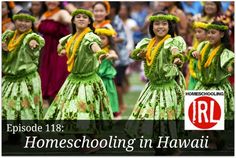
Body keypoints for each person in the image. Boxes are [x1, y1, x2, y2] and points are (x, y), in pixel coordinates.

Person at [44, 9, 113, 123]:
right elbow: (61, 43)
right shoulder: (71, 38)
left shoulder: (90, 37)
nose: (81, 19)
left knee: (83, 115)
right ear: (73, 21)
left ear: (89, 22)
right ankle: (86, 139)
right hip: (73, 80)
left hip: (88, 82)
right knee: (71, 114)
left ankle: (91, 139)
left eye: (85, 17)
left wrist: (100, 53)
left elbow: (94, 46)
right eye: (78, 17)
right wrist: (61, 50)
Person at [125, 12, 186, 142]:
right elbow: (132, 55)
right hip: (152, 88)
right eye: (156, 23)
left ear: (170, 26)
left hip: (168, 88)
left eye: (164, 24)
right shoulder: (148, 43)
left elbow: (174, 50)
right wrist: (139, 54)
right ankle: (159, 148)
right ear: (151, 27)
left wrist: (177, 58)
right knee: (149, 118)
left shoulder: (172, 41)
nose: (160, 27)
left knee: (166, 120)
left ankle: (172, 149)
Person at [2, 10, 45, 120]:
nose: (23, 23)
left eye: (27, 21)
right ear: (14, 21)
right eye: (20, 20)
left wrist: (33, 43)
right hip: (8, 80)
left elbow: (37, 40)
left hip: (26, 81)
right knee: (6, 110)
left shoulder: (31, 37)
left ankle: (31, 135)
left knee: (26, 114)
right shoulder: (8, 36)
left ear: (32, 24)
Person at [192, 21, 234, 120]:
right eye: (208, 32)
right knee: (201, 122)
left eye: (213, 33)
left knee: (216, 122)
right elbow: (194, 52)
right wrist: (194, 53)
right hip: (201, 87)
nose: (210, 35)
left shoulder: (225, 53)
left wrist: (231, 67)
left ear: (222, 34)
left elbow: (230, 68)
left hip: (218, 90)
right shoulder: (203, 46)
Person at [37, 1, 71, 107]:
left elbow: (69, 20)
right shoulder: (44, 15)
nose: (51, 1)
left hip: (59, 51)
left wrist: (69, 8)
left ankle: (62, 102)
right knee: (46, 74)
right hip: (46, 51)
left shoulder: (62, 13)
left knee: (59, 75)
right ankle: (45, 100)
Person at [95, 27, 119, 118]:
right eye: (98, 38)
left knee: (108, 98)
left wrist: (111, 56)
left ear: (109, 40)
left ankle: (109, 115)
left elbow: (115, 56)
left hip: (106, 81)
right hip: (96, 80)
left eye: (103, 38)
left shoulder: (109, 50)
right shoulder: (94, 50)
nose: (100, 40)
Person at [187, 21, 208, 90]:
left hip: (203, 79)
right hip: (193, 78)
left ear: (207, 33)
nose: (196, 34)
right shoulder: (196, 45)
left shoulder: (208, 46)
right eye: (195, 32)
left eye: (199, 32)